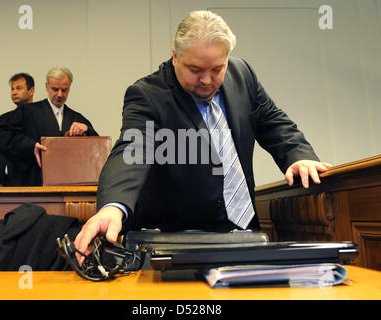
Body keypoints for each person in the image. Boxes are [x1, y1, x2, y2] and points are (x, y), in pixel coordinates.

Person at [74, 10, 332, 263]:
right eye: (195, 69)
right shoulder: (148, 94)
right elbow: (133, 151)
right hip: (179, 240)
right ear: (175, 56)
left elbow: (272, 121)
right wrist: (113, 206)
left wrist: (298, 156)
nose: (207, 80)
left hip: (245, 235)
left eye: (217, 69)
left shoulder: (243, 75)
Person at [0, 67, 99, 186]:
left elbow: (97, 149)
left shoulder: (76, 118)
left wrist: (87, 130)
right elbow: (1, 136)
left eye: (64, 90)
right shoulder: (27, 111)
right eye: (55, 89)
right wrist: (29, 145)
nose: (59, 94)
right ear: (46, 87)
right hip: (33, 183)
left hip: (68, 185)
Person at [0, 73, 35, 185]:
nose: (14, 92)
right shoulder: (4, 118)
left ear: (31, 91)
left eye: (19, 88)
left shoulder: (39, 116)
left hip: (27, 181)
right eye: (12, 89)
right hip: (0, 180)